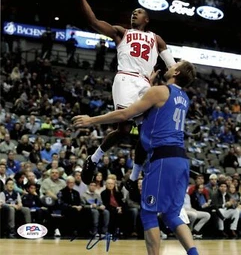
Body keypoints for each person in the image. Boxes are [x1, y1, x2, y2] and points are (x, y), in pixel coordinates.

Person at [73, 60, 199, 255]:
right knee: (172, 214)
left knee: (148, 214)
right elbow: (156, 114)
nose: (170, 66)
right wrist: (147, 86)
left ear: (177, 73)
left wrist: (92, 120)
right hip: (181, 159)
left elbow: (125, 114)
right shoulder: (183, 97)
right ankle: (193, 253)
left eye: (175, 66)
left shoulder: (160, 91)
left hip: (163, 158)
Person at [75, 0, 176, 186]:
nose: (135, 14)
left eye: (139, 12)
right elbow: (93, 21)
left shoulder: (156, 38)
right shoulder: (122, 33)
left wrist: (174, 79)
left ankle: (132, 178)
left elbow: (173, 67)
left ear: (147, 19)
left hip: (145, 83)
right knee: (122, 129)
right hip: (125, 79)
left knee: (148, 131)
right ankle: (93, 160)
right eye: (133, 12)